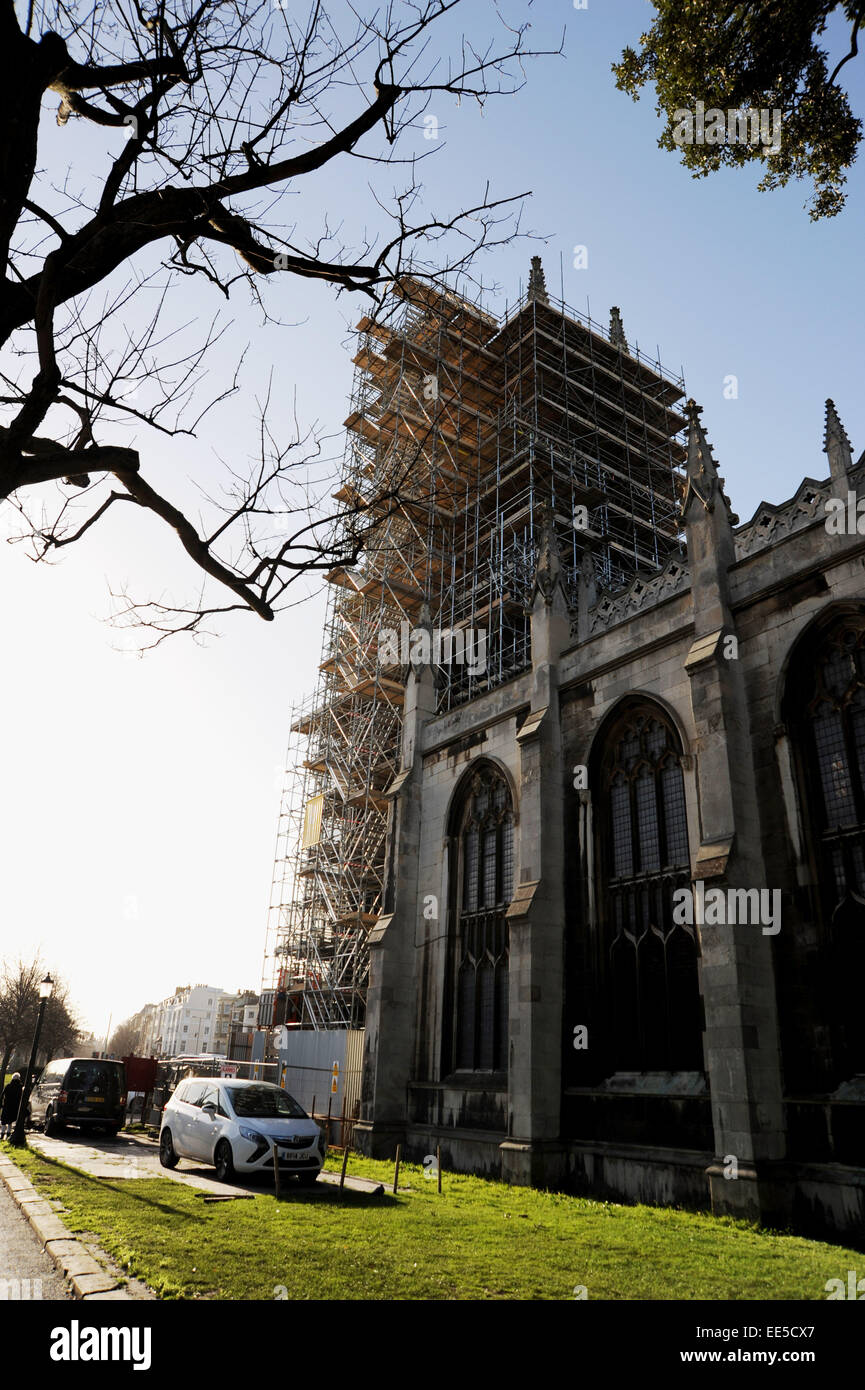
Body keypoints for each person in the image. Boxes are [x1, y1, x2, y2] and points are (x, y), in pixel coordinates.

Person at [0, 1072, 23, 1140]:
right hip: (15, 1106)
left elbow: (2, 1095)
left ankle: (2, 1134)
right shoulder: (20, 1087)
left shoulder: (8, 1086)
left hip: (7, 1105)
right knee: (10, 1121)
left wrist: (1, 1104)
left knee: (4, 1120)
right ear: (19, 1079)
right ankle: (8, 1134)